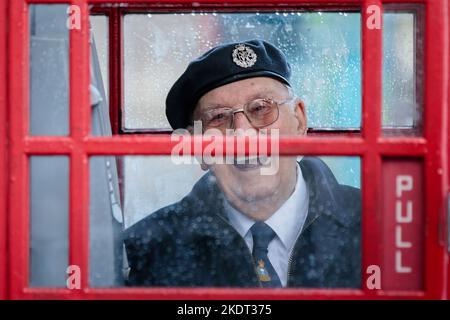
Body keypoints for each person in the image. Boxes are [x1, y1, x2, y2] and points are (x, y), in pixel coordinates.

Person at [123, 39, 361, 288]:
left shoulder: (379, 226)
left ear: (299, 121)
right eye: (218, 117)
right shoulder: (147, 253)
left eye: (260, 108)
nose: (242, 134)